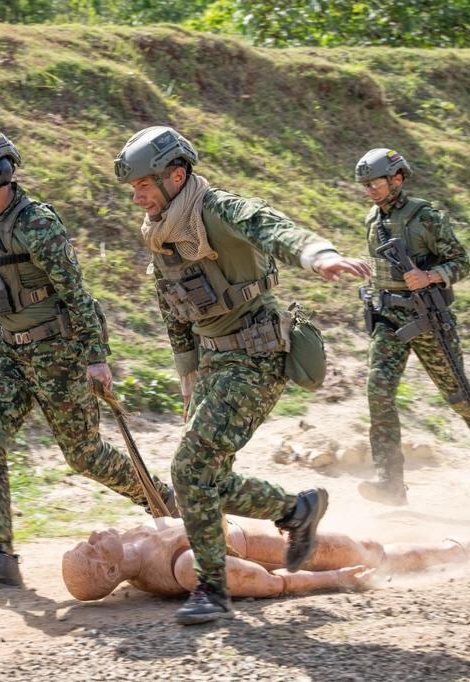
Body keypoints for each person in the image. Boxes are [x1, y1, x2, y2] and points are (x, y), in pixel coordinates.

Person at [113, 126, 372, 624]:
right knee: (204, 477)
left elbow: (270, 226)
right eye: (134, 187)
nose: (138, 196)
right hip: (214, 362)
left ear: (176, 176)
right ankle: (295, 510)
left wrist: (319, 255)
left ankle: (213, 587)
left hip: (256, 356)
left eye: (144, 184)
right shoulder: (162, 232)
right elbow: (173, 307)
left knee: (190, 470)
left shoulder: (216, 210)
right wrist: (187, 372)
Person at [0, 129, 177, 594]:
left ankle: (164, 503)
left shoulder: (37, 224)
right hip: (12, 354)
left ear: (2, 171)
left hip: (59, 354)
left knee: (85, 455)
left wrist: (95, 358)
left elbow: (77, 294)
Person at [353, 149, 470, 506]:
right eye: (365, 185)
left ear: (397, 179)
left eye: (375, 183)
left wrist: (430, 276)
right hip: (389, 320)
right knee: (378, 392)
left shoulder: (426, 217)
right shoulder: (372, 219)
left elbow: (462, 262)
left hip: (427, 319)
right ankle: (390, 483)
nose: (370, 190)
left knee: (457, 394)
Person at [61, 517, 470, 613]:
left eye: (87, 541)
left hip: (256, 525)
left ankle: (442, 549)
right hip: (276, 550)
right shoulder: (184, 568)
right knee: (366, 551)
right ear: (110, 573)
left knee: (364, 543)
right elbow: (268, 583)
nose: (94, 535)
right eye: (93, 550)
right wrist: (334, 578)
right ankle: (449, 554)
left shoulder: (129, 541)